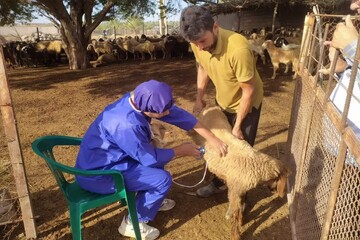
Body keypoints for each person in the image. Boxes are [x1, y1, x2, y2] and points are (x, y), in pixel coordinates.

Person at [75, 80, 228, 240]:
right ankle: (133, 224)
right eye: (163, 112)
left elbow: (182, 117)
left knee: (158, 159)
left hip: (109, 159)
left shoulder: (141, 100)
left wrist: (212, 138)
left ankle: (152, 200)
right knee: (162, 179)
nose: (168, 114)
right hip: (100, 175)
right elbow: (149, 159)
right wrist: (181, 150)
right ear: (147, 110)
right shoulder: (126, 124)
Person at [179, 6, 264, 197]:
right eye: (195, 43)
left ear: (215, 27)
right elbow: (203, 68)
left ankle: (240, 197)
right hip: (223, 100)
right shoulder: (197, 43)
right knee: (219, 144)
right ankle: (218, 183)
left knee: (241, 149)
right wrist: (199, 98)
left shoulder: (238, 48)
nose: (199, 47)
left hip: (246, 103)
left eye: (202, 41)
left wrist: (238, 126)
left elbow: (248, 90)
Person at [325, 12, 360, 138]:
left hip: (353, 151)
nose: (353, 6)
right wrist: (344, 68)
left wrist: (354, 49)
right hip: (337, 142)